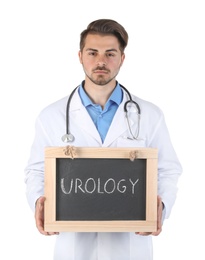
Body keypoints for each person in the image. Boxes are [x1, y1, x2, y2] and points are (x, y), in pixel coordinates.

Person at [24, 19, 182, 260]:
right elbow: (36, 171)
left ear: (122, 58)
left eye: (110, 53)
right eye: (93, 52)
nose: (101, 61)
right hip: (75, 246)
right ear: (80, 56)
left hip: (130, 246)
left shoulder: (150, 115)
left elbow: (168, 170)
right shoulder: (51, 116)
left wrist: (160, 208)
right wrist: (38, 202)